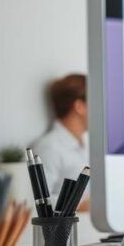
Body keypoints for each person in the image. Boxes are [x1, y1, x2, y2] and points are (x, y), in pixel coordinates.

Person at [30, 73, 90, 212]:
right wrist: (80, 205)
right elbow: (38, 200)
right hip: (67, 232)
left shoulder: (84, 145)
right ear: (80, 106)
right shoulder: (48, 147)